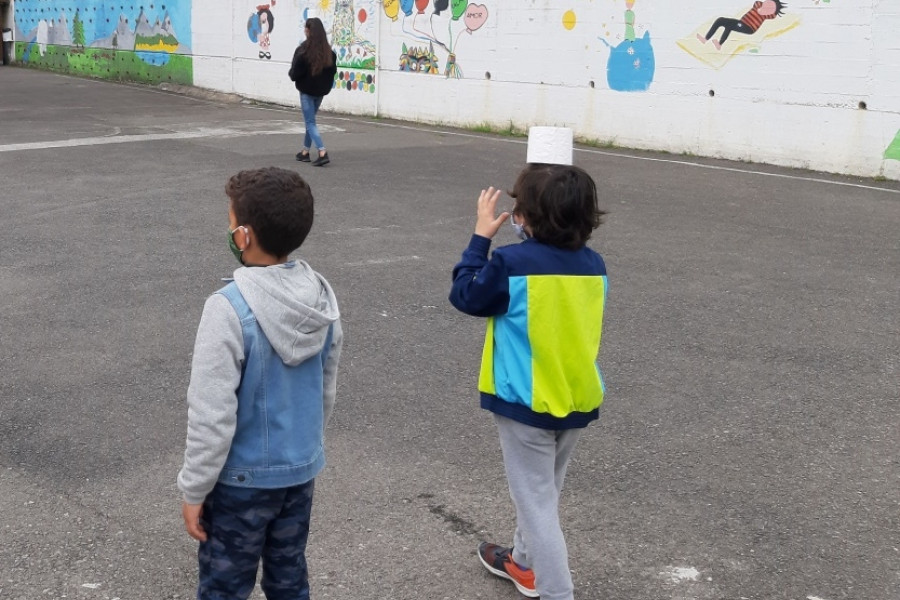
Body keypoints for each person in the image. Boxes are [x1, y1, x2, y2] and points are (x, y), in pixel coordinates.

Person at [177, 166, 343, 600]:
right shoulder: (321, 299)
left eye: (230, 222)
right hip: (299, 473)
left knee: (224, 586)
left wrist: (194, 488)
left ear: (245, 236)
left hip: (239, 484)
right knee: (289, 578)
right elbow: (326, 386)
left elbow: (211, 412)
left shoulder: (227, 308)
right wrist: (306, 447)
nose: (228, 230)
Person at [449, 163, 609, 600]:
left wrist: (480, 238)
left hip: (527, 403)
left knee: (537, 503)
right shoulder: (594, 265)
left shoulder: (511, 262)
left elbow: (466, 295)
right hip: (575, 396)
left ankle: (557, 591)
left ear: (528, 216)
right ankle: (522, 561)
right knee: (544, 490)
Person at [289, 17, 337, 167]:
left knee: (310, 122)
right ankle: (305, 152)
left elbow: (294, 73)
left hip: (306, 92)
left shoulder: (303, 51)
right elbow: (332, 72)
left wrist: (295, 75)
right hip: (320, 92)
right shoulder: (329, 53)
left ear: (309, 31)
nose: (305, 31)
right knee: (311, 122)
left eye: (306, 29)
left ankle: (322, 152)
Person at [696, 0, 786, 50]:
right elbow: (757, 2)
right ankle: (719, 44)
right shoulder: (758, 5)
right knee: (729, 26)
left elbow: (774, 15)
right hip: (742, 23)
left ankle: (706, 39)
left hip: (748, 27)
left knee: (721, 20)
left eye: (771, 7)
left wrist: (774, 7)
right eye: (768, 3)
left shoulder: (768, 15)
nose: (768, 6)